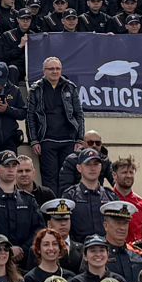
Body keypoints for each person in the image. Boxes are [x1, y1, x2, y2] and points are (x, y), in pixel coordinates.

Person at [29, 55, 86, 193]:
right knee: (49, 179)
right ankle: (52, 211)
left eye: (58, 68)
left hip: (68, 140)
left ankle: (66, 210)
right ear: (44, 71)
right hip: (47, 140)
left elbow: (79, 114)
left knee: (67, 178)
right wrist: (34, 140)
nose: (55, 71)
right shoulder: (36, 89)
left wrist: (79, 139)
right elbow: (30, 116)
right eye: (51, 69)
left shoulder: (70, 87)